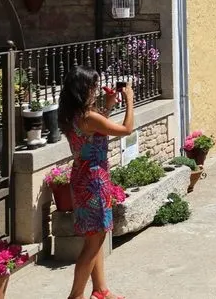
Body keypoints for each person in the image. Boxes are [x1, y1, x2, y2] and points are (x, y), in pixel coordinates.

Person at [59, 66, 133, 299]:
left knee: (95, 236)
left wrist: (109, 106)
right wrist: (129, 101)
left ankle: (100, 291)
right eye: (92, 86)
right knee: (94, 241)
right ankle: (76, 296)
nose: (95, 90)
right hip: (93, 181)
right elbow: (126, 129)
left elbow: (97, 132)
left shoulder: (73, 115)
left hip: (82, 177)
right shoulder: (88, 117)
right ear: (83, 89)